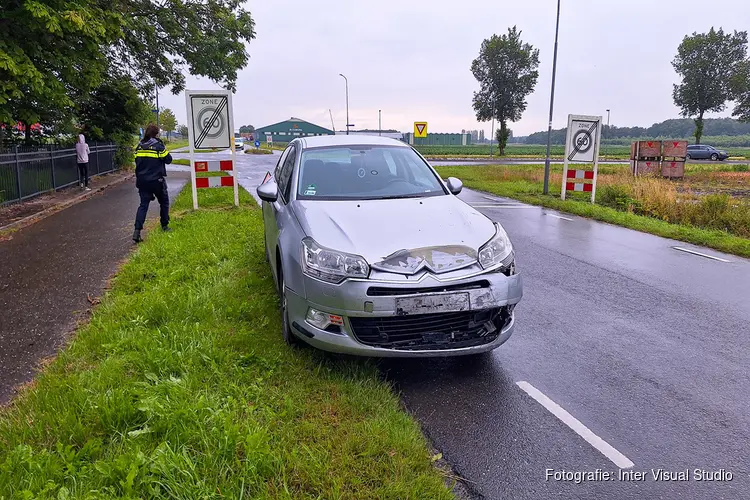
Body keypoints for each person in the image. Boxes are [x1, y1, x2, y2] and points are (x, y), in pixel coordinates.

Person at [133, 124, 172, 243]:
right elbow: (169, 160)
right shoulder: (158, 146)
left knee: (143, 205)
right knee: (164, 202)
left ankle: (137, 231)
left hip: (142, 181)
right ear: (156, 134)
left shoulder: (139, 146)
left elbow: (136, 161)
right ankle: (164, 225)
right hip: (156, 181)